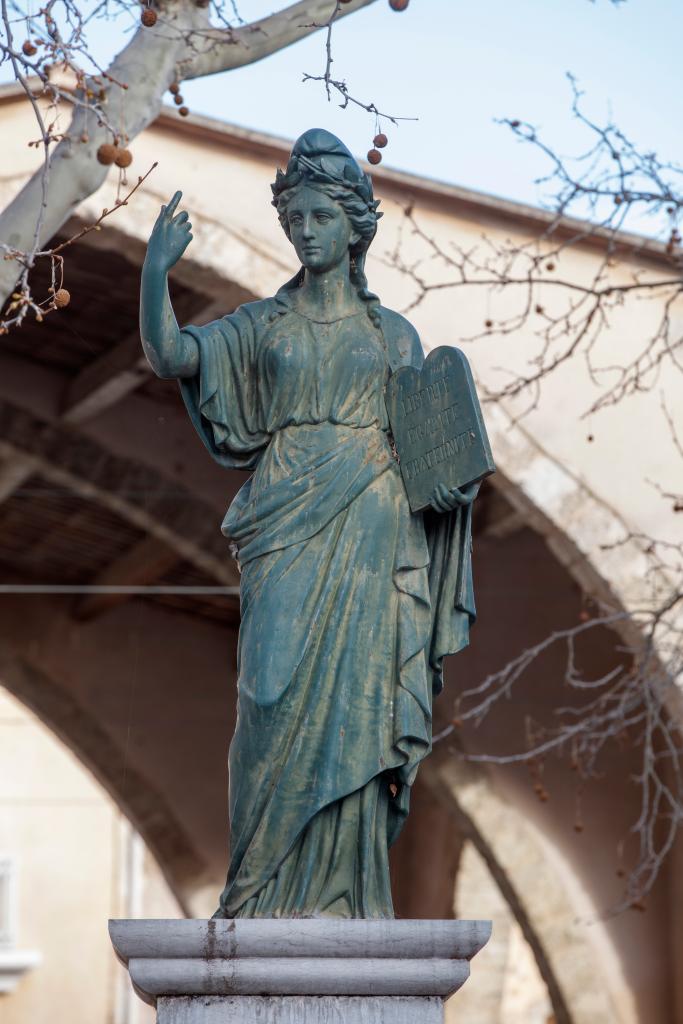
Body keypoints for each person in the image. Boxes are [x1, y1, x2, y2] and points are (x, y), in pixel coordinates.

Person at [139, 129, 479, 920]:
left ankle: (347, 891)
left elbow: (435, 459)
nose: (308, 232)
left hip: (374, 526)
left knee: (362, 702)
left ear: (354, 225)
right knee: (268, 695)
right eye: (296, 221)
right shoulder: (262, 326)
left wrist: (451, 488)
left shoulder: (393, 336)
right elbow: (170, 356)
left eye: (322, 217)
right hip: (286, 522)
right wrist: (156, 272)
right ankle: (257, 887)